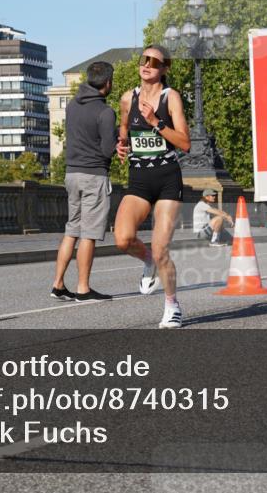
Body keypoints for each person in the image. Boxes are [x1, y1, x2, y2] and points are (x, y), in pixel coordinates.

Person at [114, 45, 191, 328]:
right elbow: (124, 130)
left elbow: (184, 142)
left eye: (154, 62)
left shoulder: (171, 98)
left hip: (168, 178)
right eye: (143, 60)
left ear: (164, 69)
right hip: (139, 179)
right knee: (122, 239)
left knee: (161, 249)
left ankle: (172, 306)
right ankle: (147, 261)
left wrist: (156, 122)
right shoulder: (127, 98)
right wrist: (121, 145)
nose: (146, 65)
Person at [51, 61, 117, 302]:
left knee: (72, 230)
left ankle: (58, 284)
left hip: (71, 174)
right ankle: (83, 288)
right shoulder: (105, 112)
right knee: (88, 234)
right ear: (108, 83)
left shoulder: (71, 106)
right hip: (94, 175)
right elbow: (108, 150)